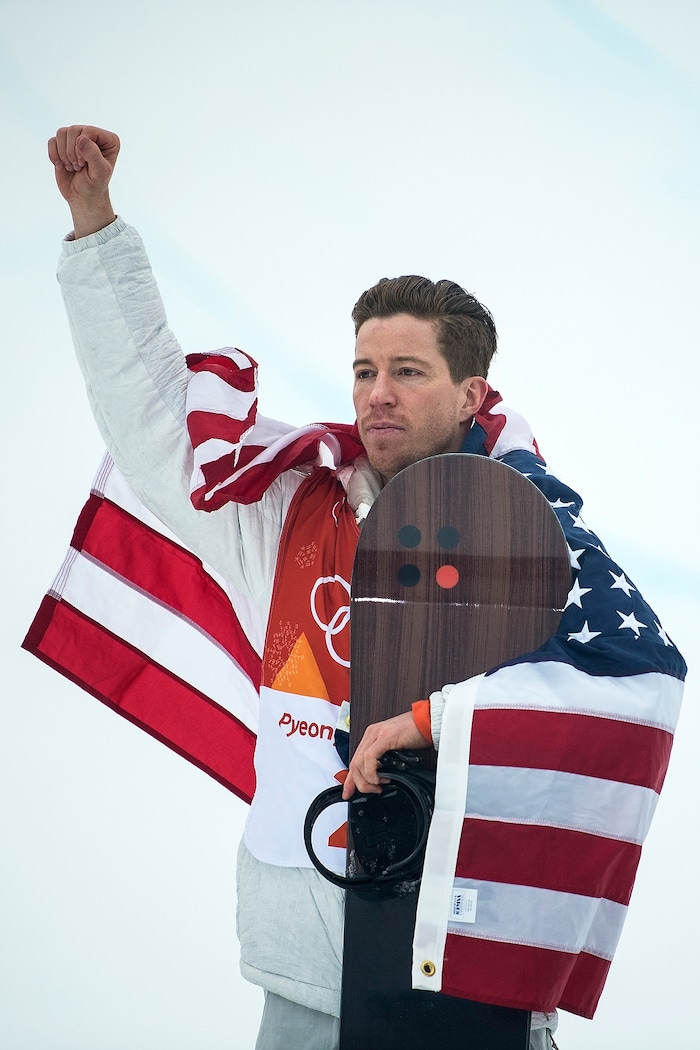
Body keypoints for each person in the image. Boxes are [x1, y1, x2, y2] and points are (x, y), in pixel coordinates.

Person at [42, 125, 685, 1050]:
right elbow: (155, 429)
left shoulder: (530, 532)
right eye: (364, 370)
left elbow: (636, 677)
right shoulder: (284, 512)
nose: (377, 393)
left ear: (471, 394)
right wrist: (97, 229)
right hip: (306, 974)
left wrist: (431, 721)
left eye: (408, 372)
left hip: (469, 978)